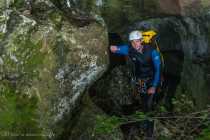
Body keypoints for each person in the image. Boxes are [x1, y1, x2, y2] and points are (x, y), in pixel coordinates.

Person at [110, 30, 162, 112]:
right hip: (140, 79)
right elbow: (116, 49)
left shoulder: (152, 51)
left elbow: (158, 69)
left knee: (151, 101)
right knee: (143, 98)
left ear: (141, 40)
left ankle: (150, 117)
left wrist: (154, 86)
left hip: (152, 78)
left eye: (137, 41)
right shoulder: (130, 50)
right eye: (132, 42)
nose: (135, 44)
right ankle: (145, 114)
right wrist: (113, 48)